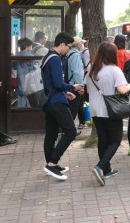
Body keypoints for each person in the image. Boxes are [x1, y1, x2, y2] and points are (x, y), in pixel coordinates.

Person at [85, 42, 130, 186]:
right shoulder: (114, 70)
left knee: (103, 139)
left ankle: (106, 169)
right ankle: (100, 167)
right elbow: (122, 90)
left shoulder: (92, 70)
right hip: (110, 110)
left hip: (95, 110)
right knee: (116, 140)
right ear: (113, 54)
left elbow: (88, 91)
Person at [41, 32, 84, 181]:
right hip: (56, 103)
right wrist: (73, 87)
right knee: (71, 131)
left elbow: (52, 84)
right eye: (69, 47)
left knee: (51, 133)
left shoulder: (48, 56)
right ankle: (52, 163)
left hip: (50, 101)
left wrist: (66, 92)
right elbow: (58, 83)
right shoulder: (55, 59)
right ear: (62, 45)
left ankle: (50, 164)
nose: (69, 50)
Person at [65, 36, 86, 131]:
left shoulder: (68, 53)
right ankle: (68, 131)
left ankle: (68, 129)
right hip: (74, 86)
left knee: (71, 109)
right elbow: (77, 72)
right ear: (77, 44)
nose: (82, 45)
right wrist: (80, 87)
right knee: (72, 110)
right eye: (81, 43)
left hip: (69, 85)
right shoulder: (76, 55)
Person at [12, 38, 34, 107]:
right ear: (27, 46)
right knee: (30, 103)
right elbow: (34, 69)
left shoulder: (15, 56)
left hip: (18, 82)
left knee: (20, 102)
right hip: (29, 82)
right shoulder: (31, 56)